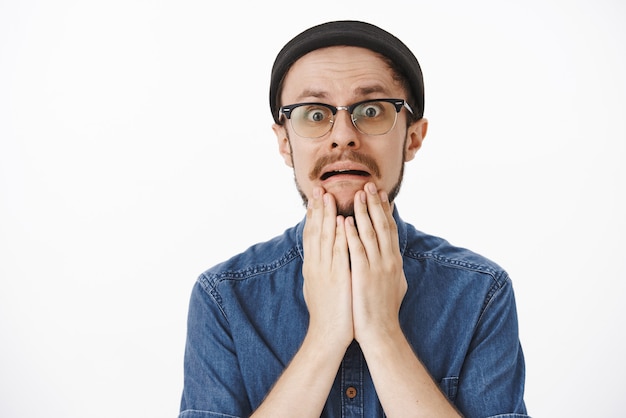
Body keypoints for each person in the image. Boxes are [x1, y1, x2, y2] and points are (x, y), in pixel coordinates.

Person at [179, 20, 529, 418]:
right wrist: (325, 335)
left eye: (372, 110)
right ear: (284, 143)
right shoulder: (223, 298)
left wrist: (382, 332)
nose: (343, 135)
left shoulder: (481, 292)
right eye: (314, 114)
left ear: (413, 138)